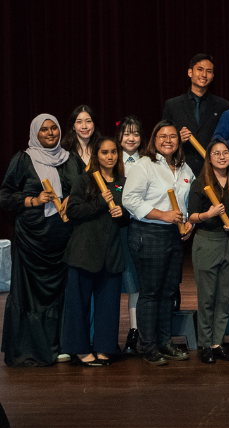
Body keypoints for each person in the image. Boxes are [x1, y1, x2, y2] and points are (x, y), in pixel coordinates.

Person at [1, 115, 78, 366]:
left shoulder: (70, 159)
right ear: (36, 133)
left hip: (63, 239)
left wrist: (71, 200)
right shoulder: (23, 159)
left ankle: (61, 346)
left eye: (53, 127)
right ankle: (31, 349)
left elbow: (81, 189)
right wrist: (33, 200)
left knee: (62, 293)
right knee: (31, 295)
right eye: (43, 129)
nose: (50, 132)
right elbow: (5, 195)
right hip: (31, 239)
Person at [121, 120, 194, 365]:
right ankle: (148, 345)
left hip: (174, 236)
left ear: (179, 140)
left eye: (173, 136)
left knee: (168, 292)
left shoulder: (184, 168)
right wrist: (162, 215)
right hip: (148, 232)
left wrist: (189, 223)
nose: (168, 140)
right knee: (151, 293)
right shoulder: (144, 165)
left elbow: (188, 202)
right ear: (153, 140)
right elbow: (129, 199)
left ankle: (165, 341)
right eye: (162, 136)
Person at [60, 137, 128, 367]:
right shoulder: (85, 180)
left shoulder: (123, 182)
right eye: (104, 152)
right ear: (96, 156)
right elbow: (73, 210)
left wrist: (123, 214)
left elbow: (130, 213)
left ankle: (104, 347)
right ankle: (79, 349)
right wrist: (100, 202)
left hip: (112, 253)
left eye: (113, 152)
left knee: (108, 304)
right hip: (85, 252)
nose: (110, 156)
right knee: (78, 304)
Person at [186, 139, 229, 363]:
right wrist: (208, 214)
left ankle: (218, 342)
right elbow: (192, 216)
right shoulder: (201, 184)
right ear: (209, 158)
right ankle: (205, 345)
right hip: (207, 242)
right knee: (207, 297)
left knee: (224, 297)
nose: (221, 157)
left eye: (225, 153)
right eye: (216, 153)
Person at [161, 54, 229, 174]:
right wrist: (177, 138)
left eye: (209, 71)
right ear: (190, 72)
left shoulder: (223, 106)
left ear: (213, 76)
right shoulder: (173, 105)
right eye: (200, 70)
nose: (204, 75)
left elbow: (226, 140)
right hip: (180, 170)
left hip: (212, 171)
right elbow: (161, 138)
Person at [116, 116, 145, 353]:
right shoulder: (112, 161)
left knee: (136, 280)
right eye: (127, 133)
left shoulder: (147, 162)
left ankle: (136, 330)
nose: (131, 138)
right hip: (116, 229)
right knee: (122, 280)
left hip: (141, 226)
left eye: (135, 133)